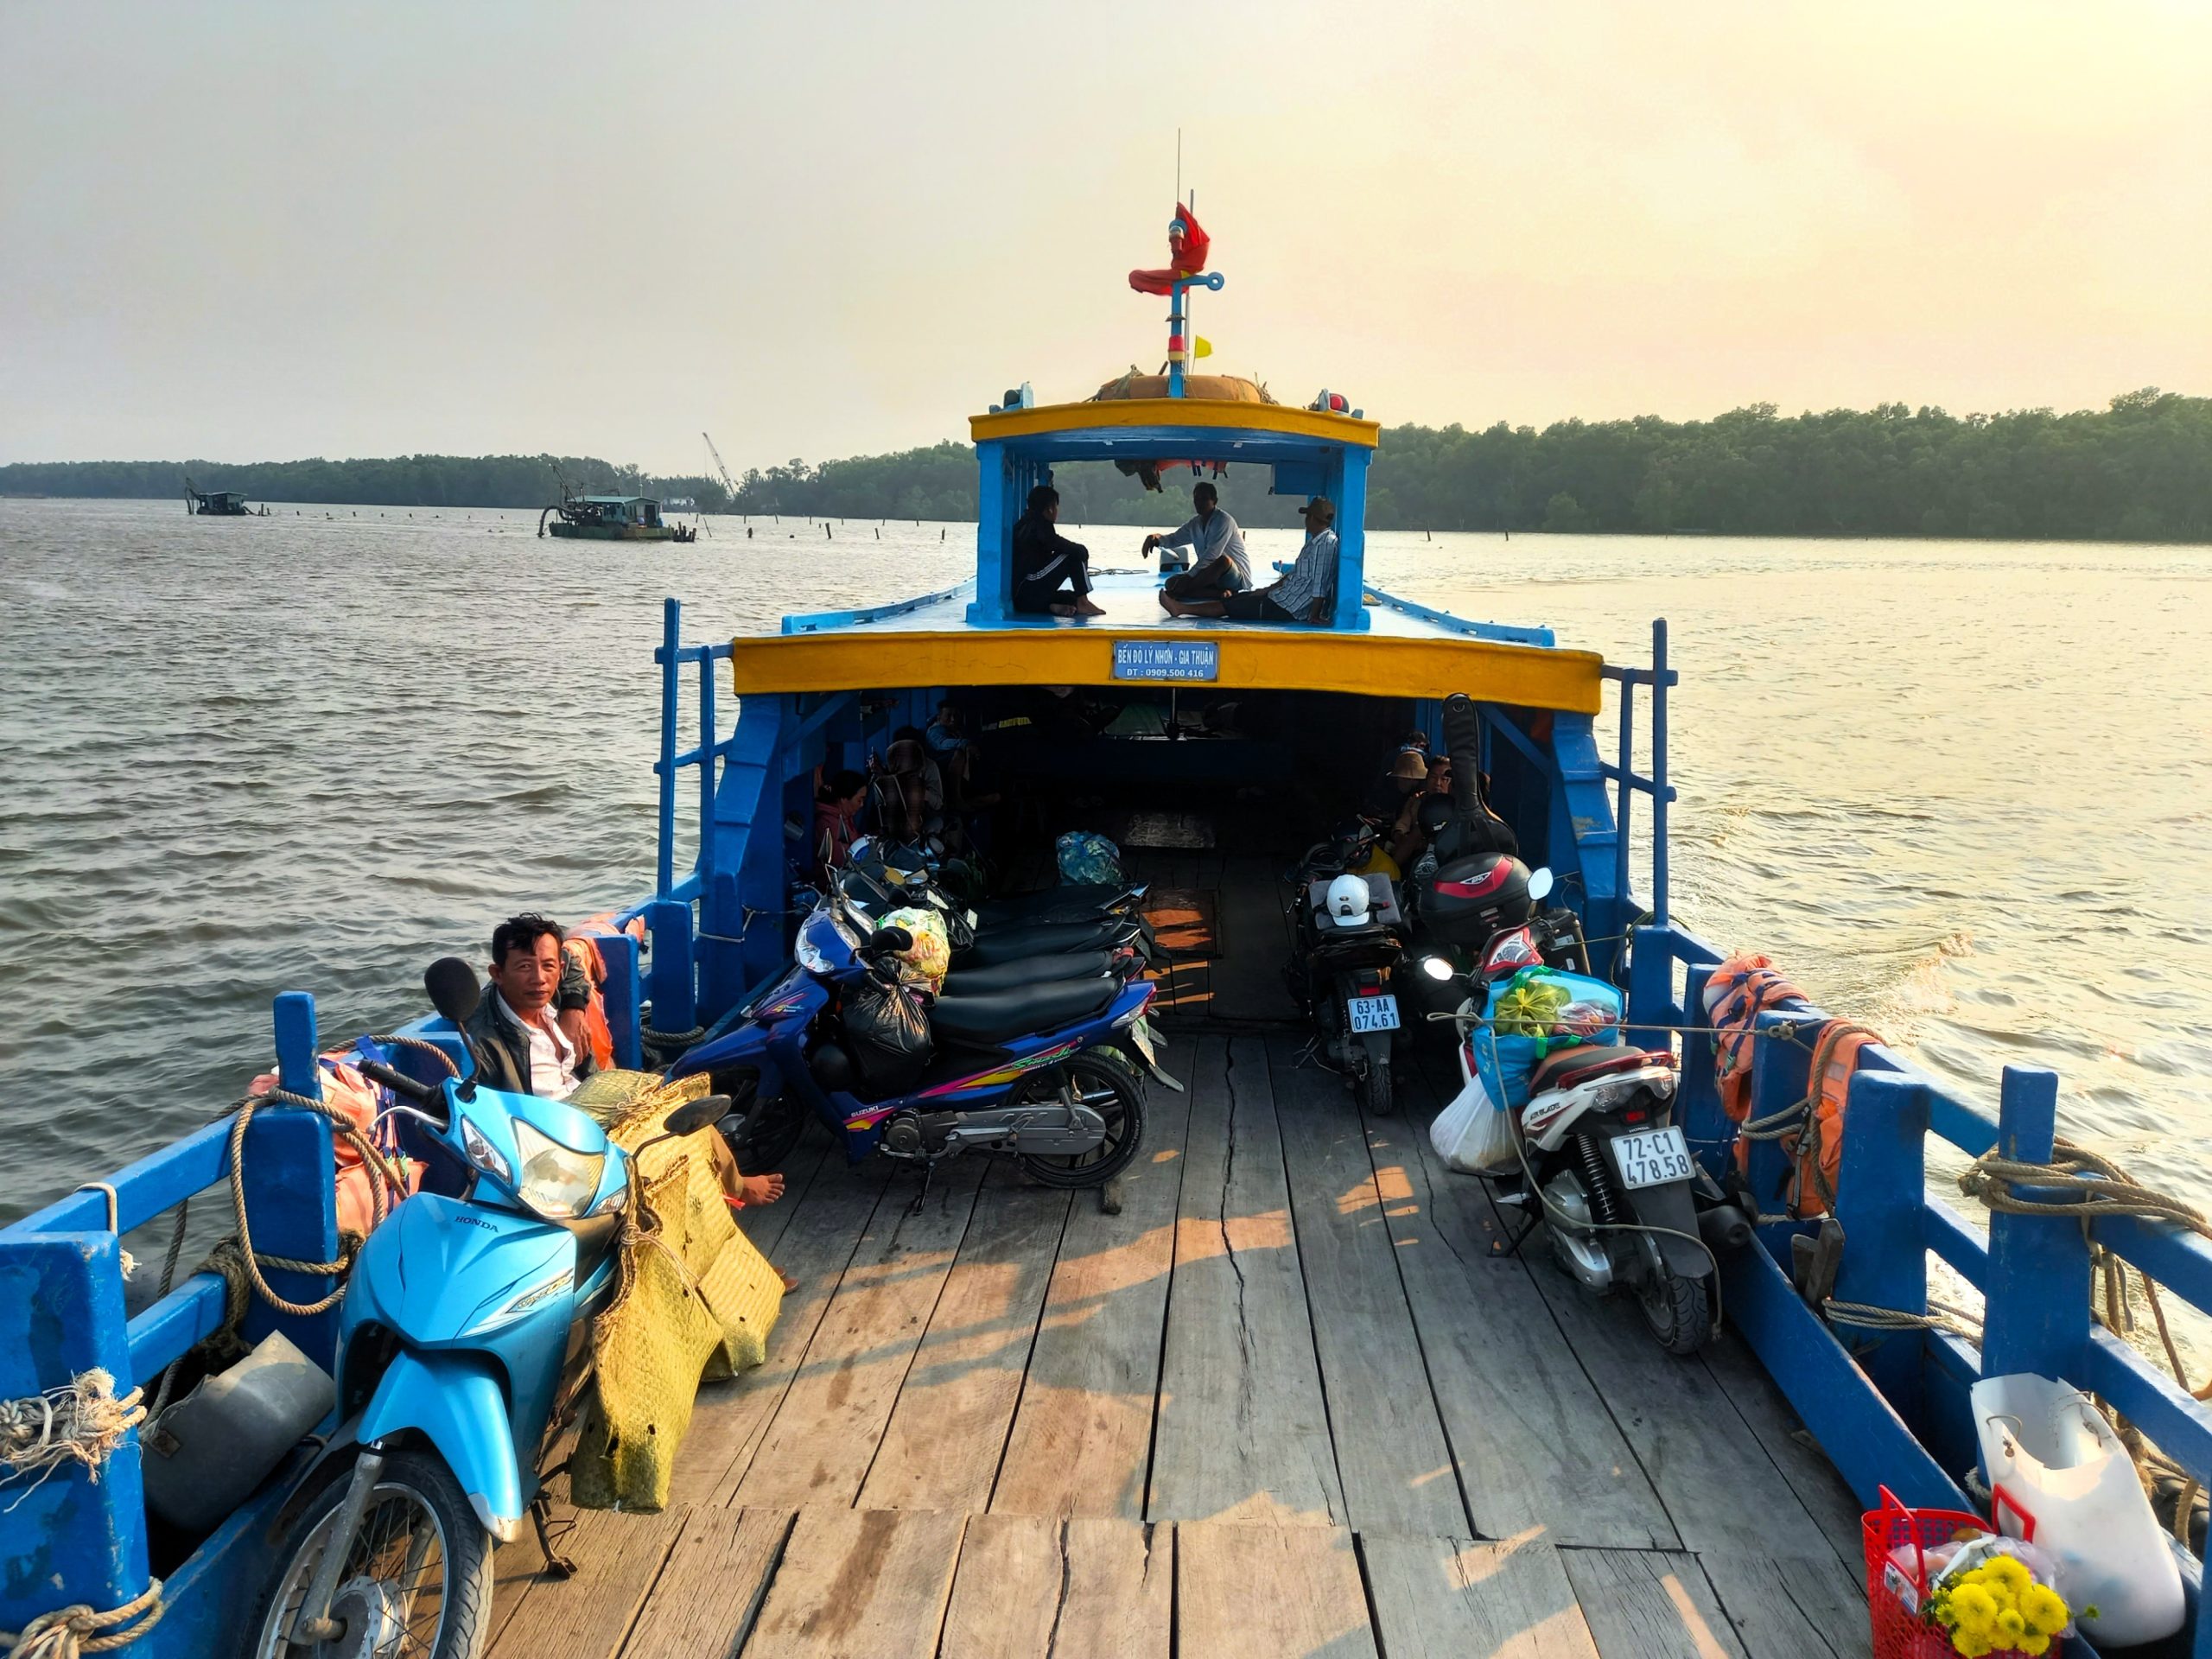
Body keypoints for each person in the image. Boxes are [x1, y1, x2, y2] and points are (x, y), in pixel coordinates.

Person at [465, 913, 785, 1212]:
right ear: (497, 974)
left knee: (677, 1104)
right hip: (554, 1137)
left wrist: (574, 1007)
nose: (538, 979)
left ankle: (732, 1186)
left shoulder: (552, 994)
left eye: (548, 966)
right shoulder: (485, 1039)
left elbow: (571, 964)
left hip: (594, 1107)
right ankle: (730, 1192)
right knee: (664, 1137)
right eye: (524, 967)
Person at [1160, 496, 1338, 624]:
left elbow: (1320, 584)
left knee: (1230, 606)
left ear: (1312, 518)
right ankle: (1182, 606)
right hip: (1280, 598)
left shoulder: (1325, 544)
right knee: (1239, 598)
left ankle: (1181, 609)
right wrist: (1265, 590)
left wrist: (1314, 616)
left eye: (1307, 517)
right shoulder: (1314, 542)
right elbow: (1293, 576)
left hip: (1287, 608)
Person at [1147, 480, 1249, 604]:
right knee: (1170, 582)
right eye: (1196, 499)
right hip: (1210, 576)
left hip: (1234, 576)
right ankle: (1220, 594)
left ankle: (1180, 592)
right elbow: (1173, 539)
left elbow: (1212, 555)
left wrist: (1189, 577)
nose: (1199, 502)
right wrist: (1155, 539)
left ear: (1214, 501)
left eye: (1204, 499)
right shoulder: (1194, 524)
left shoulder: (1224, 521)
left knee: (1223, 561)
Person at [1011, 485, 1105, 616]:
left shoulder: (1025, 523)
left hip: (1023, 598)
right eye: (1056, 507)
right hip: (1029, 588)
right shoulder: (1040, 525)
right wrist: (1083, 554)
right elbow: (1062, 545)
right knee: (1072, 555)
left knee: (1070, 596)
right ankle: (1083, 602)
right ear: (1050, 509)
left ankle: (1050, 606)